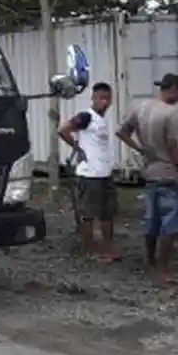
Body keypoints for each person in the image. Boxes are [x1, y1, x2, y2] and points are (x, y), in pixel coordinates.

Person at [116, 73, 178, 285]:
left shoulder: (141, 107)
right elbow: (173, 146)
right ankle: (163, 268)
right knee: (170, 222)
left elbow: (121, 132)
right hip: (168, 172)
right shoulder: (171, 113)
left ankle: (150, 261)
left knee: (152, 220)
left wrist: (140, 149)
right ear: (175, 90)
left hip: (150, 171)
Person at [57, 82, 119, 261]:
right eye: (101, 98)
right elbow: (62, 130)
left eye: (108, 98)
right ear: (93, 98)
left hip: (105, 173)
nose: (105, 102)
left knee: (108, 213)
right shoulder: (86, 117)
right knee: (88, 214)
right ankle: (89, 250)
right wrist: (77, 148)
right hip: (89, 174)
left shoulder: (101, 120)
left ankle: (108, 247)